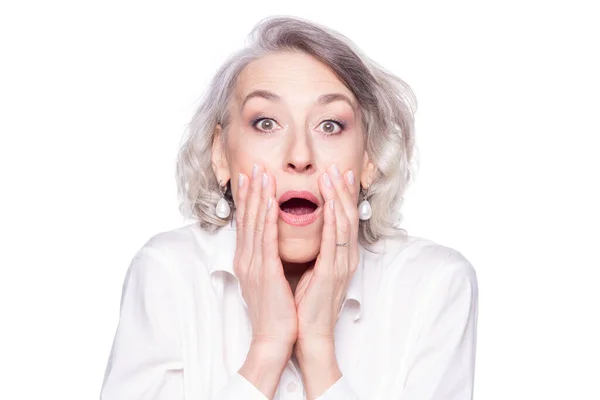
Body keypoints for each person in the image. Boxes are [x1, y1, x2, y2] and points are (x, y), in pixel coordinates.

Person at [100, 15, 478, 400]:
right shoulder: (168, 273)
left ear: (369, 157)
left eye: (330, 125)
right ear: (220, 154)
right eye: (266, 123)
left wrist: (318, 352)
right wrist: (267, 348)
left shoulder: (435, 284)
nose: (299, 156)